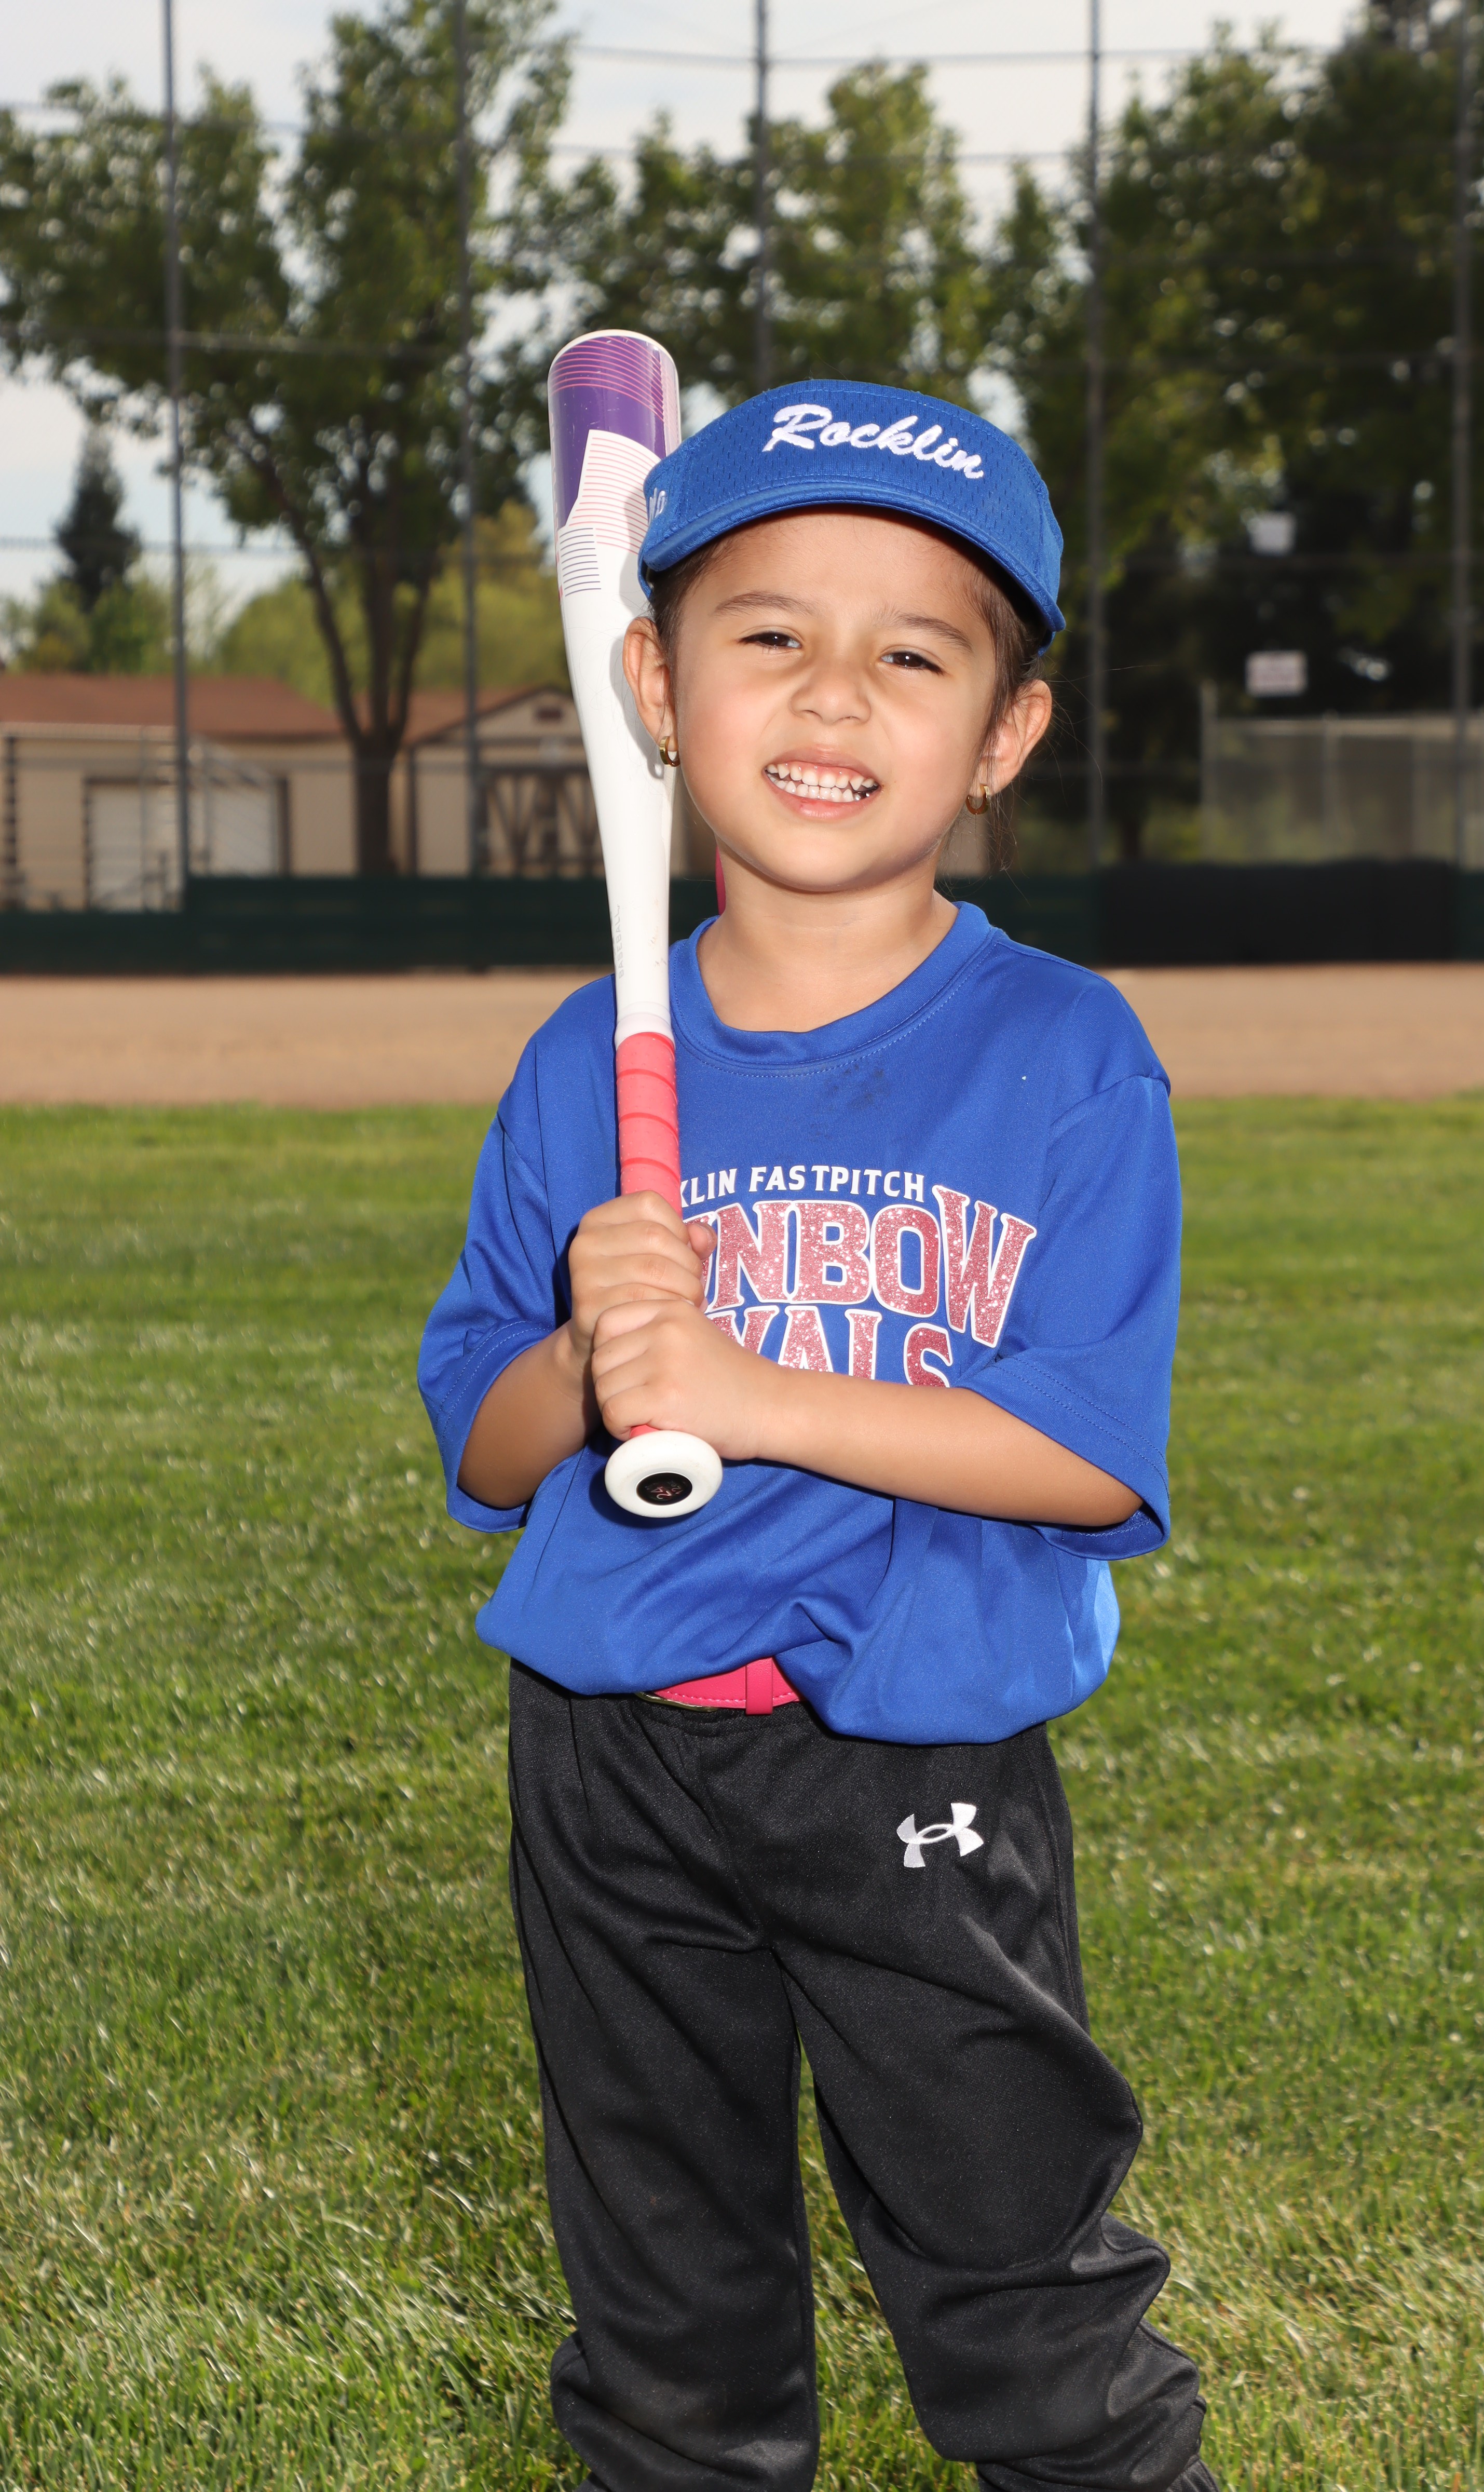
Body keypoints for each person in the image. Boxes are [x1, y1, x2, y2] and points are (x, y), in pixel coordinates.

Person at [419, 380, 1218, 2492]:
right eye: (767, 632)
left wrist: (752, 1394)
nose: (834, 690)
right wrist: (589, 1357)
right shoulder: (580, 1058)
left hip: (915, 1760)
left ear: (1004, 735)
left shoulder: (1063, 1051)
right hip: (610, 1765)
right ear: (653, 684)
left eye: (913, 653)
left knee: (1017, 2294)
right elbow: (488, 1443)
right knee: (665, 2325)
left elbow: (1085, 1455)